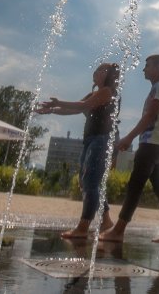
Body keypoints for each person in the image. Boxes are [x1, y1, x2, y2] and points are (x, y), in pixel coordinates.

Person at [100, 54, 159, 244]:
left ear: (158, 68)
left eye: (148, 66)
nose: (144, 69)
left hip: (152, 144)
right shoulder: (157, 89)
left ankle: (118, 230)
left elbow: (149, 117)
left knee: (135, 185)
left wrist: (129, 137)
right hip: (158, 145)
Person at [36, 62, 121, 239]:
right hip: (91, 140)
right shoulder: (95, 93)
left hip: (102, 140)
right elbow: (73, 109)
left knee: (90, 181)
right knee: (87, 182)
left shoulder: (107, 92)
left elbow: (81, 106)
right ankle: (106, 220)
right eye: (96, 69)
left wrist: (58, 102)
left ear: (109, 75)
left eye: (101, 70)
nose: (96, 71)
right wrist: (52, 109)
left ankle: (83, 227)